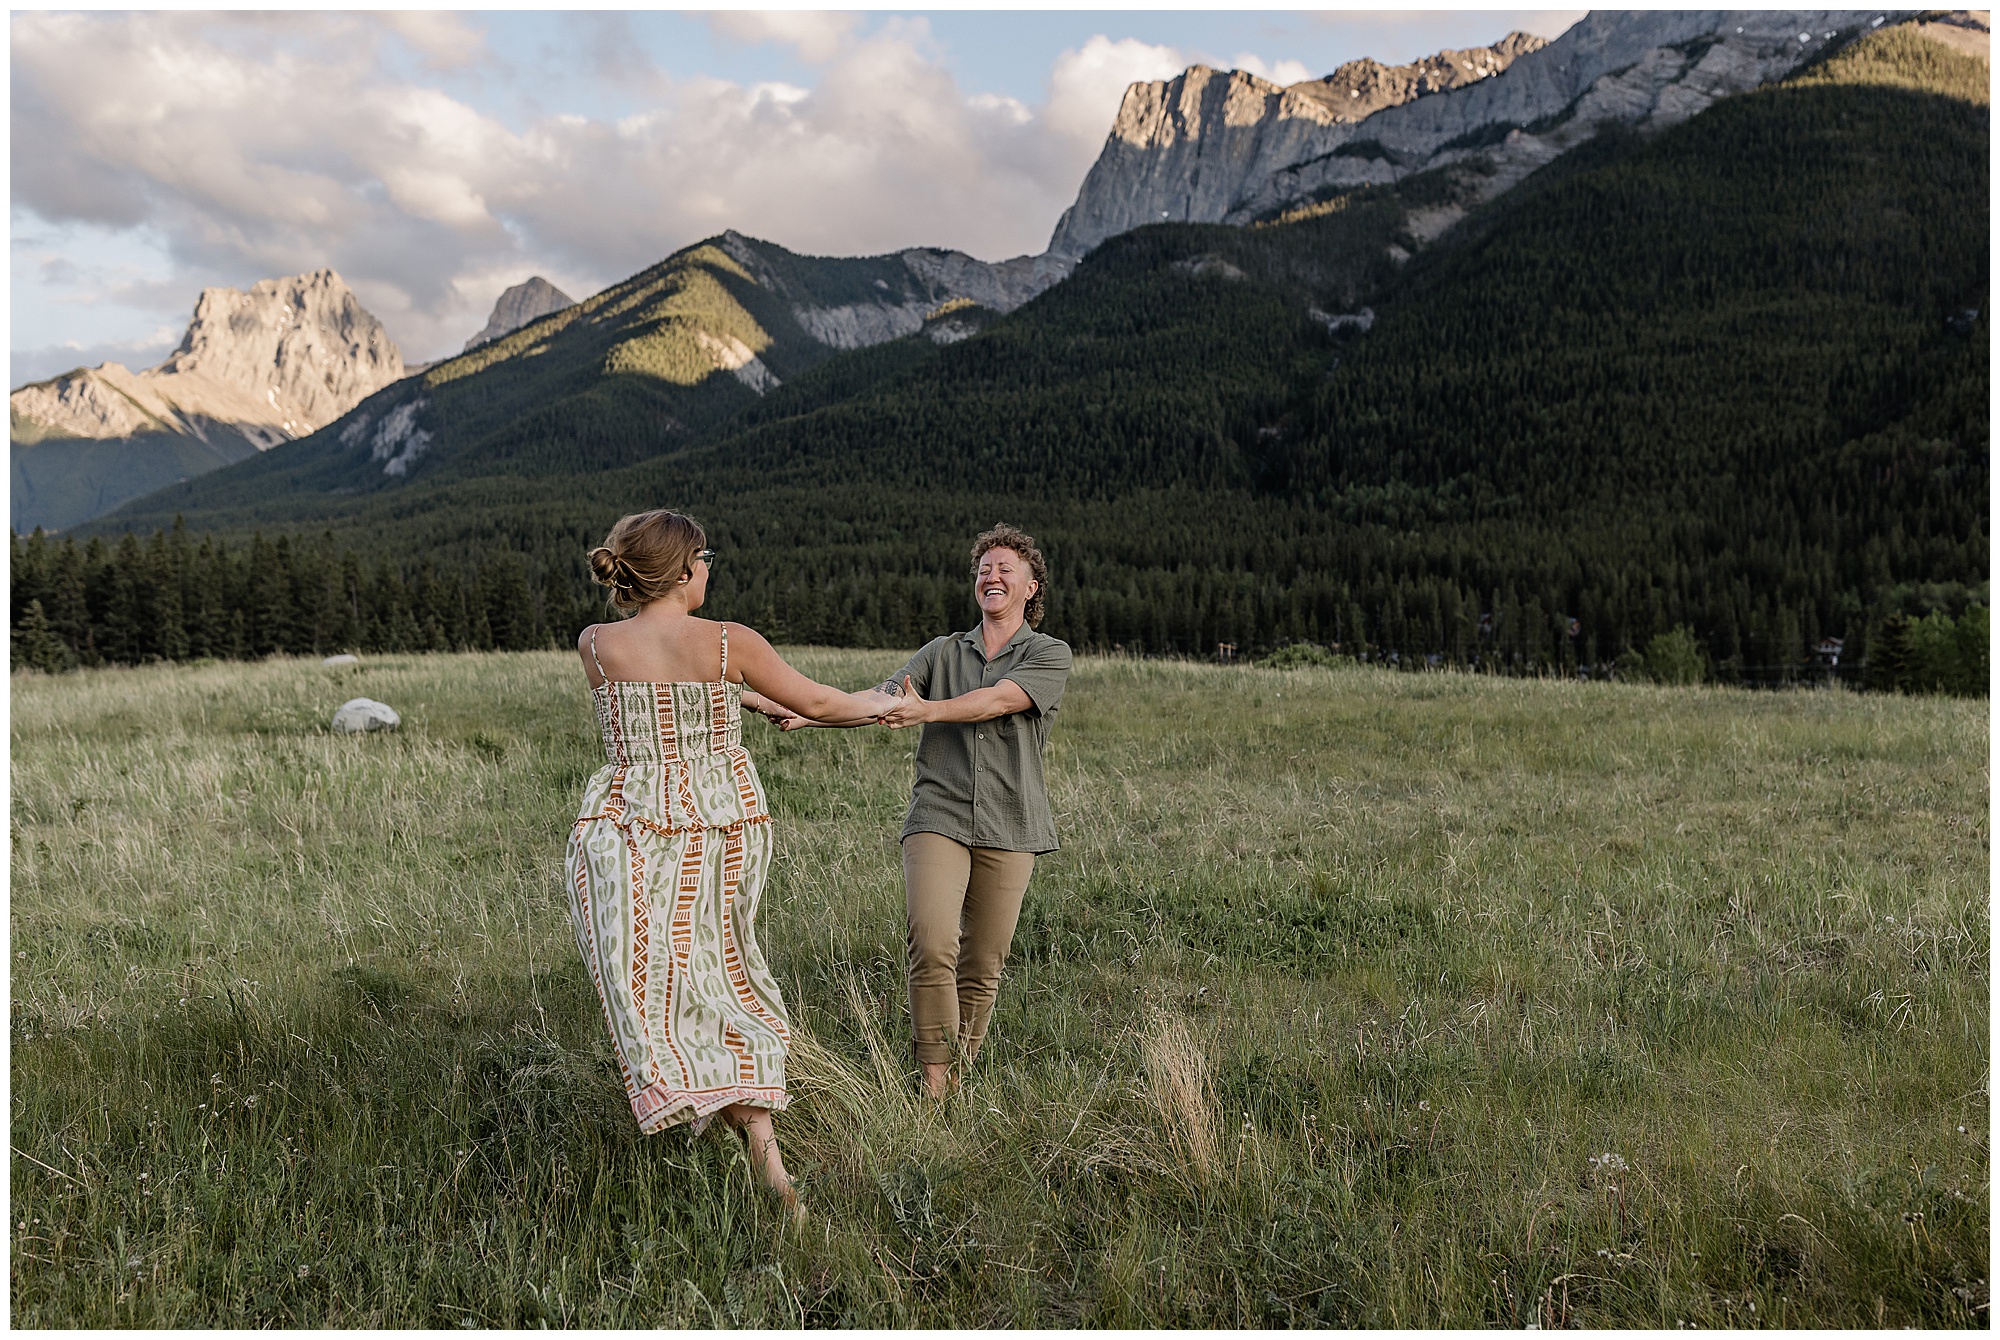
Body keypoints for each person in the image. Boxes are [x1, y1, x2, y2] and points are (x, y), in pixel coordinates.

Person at [565, 509, 880, 1212]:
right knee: (724, 976)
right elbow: (822, 702)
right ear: (682, 570)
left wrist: (747, 696)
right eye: (705, 558)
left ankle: (726, 1132)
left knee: (661, 992)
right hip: (711, 830)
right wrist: (884, 707)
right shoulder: (729, 641)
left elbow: (659, 690)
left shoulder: (595, 644)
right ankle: (769, 1168)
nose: (710, 568)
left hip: (622, 833)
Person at [768, 523, 1072, 1098]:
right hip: (940, 815)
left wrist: (926, 711)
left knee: (983, 964)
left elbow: (998, 700)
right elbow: (884, 698)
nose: (992, 575)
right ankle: (935, 1083)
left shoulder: (1048, 654)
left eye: (1006, 568)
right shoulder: (942, 652)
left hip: (1012, 822)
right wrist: (810, 714)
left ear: (1032, 587)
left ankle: (961, 1073)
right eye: (984, 568)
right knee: (933, 942)